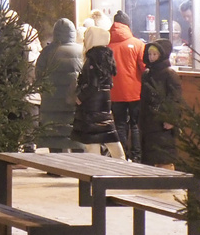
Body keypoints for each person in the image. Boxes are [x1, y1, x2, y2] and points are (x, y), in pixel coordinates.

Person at [71, 27, 125, 158]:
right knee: (109, 137)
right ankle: (121, 161)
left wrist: (80, 97)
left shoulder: (92, 60)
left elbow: (92, 84)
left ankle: (94, 167)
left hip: (91, 107)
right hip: (104, 104)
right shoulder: (106, 58)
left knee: (92, 140)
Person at [35, 18, 83, 151]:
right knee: (76, 137)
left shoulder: (47, 52)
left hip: (52, 104)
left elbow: (38, 76)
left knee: (54, 138)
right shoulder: (81, 51)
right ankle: (78, 169)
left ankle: (54, 170)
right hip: (74, 102)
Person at [108, 11, 146, 161]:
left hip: (114, 93)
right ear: (128, 26)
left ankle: (122, 157)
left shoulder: (107, 45)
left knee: (120, 125)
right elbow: (144, 68)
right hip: (135, 92)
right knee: (135, 125)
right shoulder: (138, 44)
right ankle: (136, 157)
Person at [140, 38, 184, 169]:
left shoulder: (169, 74)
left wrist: (171, 118)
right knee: (150, 154)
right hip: (149, 120)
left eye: (155, 54)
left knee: (164, 155)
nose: (152, 57)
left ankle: (168, 182)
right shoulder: (147, 74)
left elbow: (176, 98)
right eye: (150, 54)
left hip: (163, 121)